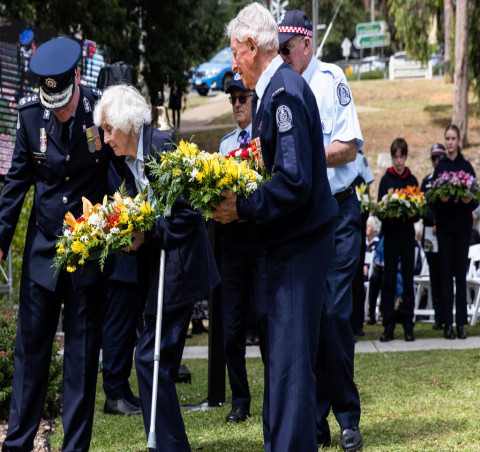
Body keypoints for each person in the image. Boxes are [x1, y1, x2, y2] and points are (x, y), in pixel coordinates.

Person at [0, 37, 118, 452]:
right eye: (51, 102)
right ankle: (17, 444)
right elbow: (18, 181)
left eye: (64, 101)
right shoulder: (30, 117)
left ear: (77, 79)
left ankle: (74, 448)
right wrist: (0, 237)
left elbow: (117, 172)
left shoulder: (100, 112)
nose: (57, 110)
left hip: (87, 256)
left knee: (80, 361)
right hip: (43, 254)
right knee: (31, 358)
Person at [212, 4, 338, 450]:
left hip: (298, 248)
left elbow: (295, 182)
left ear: (252, 46)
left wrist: (241, 208)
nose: (232, 63)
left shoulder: (283, 93)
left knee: (288, 367)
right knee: (285, 366)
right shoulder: (276, 92)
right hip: (287, 248)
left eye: (234, 52)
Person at [93, 83, 220, 451]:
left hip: (181, 269)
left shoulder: (161, 147)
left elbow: (188, 213)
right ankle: (168, 443)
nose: (105, 138)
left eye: (108, 130)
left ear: (128, 124)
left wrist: (148, 235)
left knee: (149, 357)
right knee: (152, 359)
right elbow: (141, 207)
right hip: (162, 272)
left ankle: (169, 444)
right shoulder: (130, 158)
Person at [277, 9, 364, 451]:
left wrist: (306, 155)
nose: (283, 55)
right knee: (308, 321)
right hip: (304, 218)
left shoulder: (331, 81)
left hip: (341, 211)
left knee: (332, 312)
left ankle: (347, 414)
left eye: (287, 48)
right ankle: (313, 421)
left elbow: (348, 149)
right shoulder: (279, 88)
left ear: (306, 44)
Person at [217, 73, 265, 423]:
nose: (236, 104)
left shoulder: (266, 141)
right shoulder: (224, 146)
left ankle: (276, 395)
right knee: (231, 327)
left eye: (242, 97)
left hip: (262, 239)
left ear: (254, 100)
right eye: (232, 98)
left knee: (265, 321)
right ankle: (240, 399)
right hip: (232, 241)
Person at [101, 166, 142, 416]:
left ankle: (122, 387)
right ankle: (114, 393)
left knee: (127, 330)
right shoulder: (109, 162)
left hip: (129, 259)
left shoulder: (122, 163)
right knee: (117, 328)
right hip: (118, 258)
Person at [433, 124, 479, 339]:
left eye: (453, 138)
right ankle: (447, 323)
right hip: (444, 228)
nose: (450, 142)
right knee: (445, 276)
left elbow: (474, 199)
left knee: (460, 276)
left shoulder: (466, 167)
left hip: (461, 229)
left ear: (458, 141)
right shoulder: (440, 167)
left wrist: (467, 201)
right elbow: (432, 200)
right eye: (447, 138)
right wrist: (441, 201)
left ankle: (461, 323)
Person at [377, 138, 419, 343]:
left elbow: (419, 211)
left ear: (406, 157)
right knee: (389, 281)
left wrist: (412, 213)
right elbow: (379, 209)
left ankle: (409, 327)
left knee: (408, 282)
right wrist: (388, 214)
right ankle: (389, 326)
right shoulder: (386, 180)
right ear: (392, 157)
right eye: (395, 157)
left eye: (402, 157)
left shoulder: (412, 180)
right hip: (391, 238)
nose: (399, 161)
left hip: (407, 237)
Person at [420, 143, 447, 329]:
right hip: (430, 233)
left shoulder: (448, 180)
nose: (437, 161)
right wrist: (433, 220)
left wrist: (440, 221)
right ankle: (439, 317)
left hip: (445, 232)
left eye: (440, 158)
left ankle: (447, 316)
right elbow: (423, 207)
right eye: (434, 158)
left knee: (446, 275)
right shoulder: (427, 181)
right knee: (434, 277)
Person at [351, 150, 375, 336]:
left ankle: (357, 322)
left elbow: (366, 189)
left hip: (357, 226)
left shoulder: (360, 157)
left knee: (357, 274)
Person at [363, 216, 381, 324]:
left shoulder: (377, 243)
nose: (366, 228)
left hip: (372, 272)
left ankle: (371, 311)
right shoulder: (363, 242)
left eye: (368, 226)